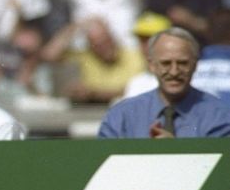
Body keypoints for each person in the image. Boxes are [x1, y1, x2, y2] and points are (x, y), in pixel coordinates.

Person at [98, 27, 230, 138]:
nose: (174, 72)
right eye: (166, 63)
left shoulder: (219, 115)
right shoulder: (122, 116)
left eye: (182, 63)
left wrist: (172, 151)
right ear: (151, 65)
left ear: (195, 65)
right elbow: (101, 163)